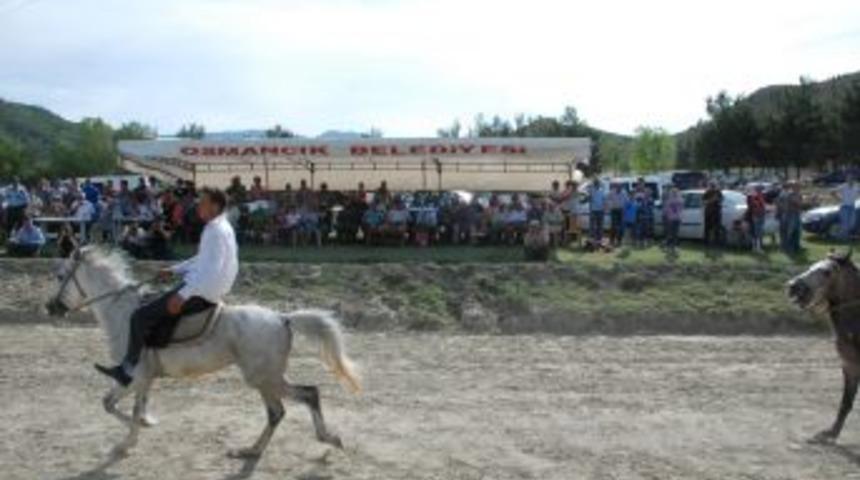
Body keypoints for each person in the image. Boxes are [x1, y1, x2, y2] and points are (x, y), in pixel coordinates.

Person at [95, 188, 238, 387]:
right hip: (211, 287)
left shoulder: (213, 230)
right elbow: (202, 260)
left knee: (139, 316)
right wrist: (174, 270)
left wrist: (183, 295)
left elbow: (209, 269)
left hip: (203, 290)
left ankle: (127, 369)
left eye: (203, 202)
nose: (198, 206)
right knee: (155, 300)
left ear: (214, 206)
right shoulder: (222, 226)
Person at [662, 186, 683, 253]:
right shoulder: (671, 200)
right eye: (674, 192)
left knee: (675, 234)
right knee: (671, 234)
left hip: (676, 218)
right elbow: (666, 209)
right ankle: (669, 247)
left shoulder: (679, 200)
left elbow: (680, 209)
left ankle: (673, 247)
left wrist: (680, 217)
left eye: (676, 192)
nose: (675, 193)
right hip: (671, 219)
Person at [747, 184, 767, 252]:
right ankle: (758, 248)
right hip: (758, 215)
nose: (761, 191)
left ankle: (754, 247)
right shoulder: (756, 197)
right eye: (760, 190)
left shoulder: (752, 196)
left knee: (755, 232)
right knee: (758, 232)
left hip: (756, 215)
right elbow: (758, 206)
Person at [703, 181, 723, 247]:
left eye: (713, 186)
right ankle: (707, 243)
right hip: (708, 212)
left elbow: (721, 200)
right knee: (707, 229)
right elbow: (704, 201)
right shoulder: (707, 192)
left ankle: (716, 243)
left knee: (717, 229)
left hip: (716, 212)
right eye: (711, 186)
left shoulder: (718, 192)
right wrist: (711, 200)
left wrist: (716, 199)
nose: (712, 187)